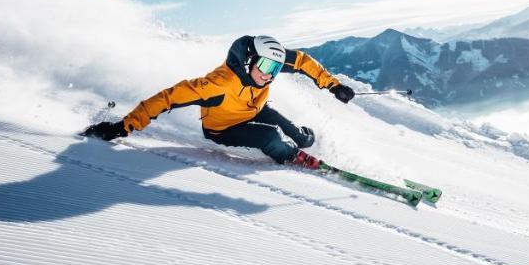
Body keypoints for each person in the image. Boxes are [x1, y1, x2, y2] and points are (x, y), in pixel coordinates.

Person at [82, 34, 355, 168]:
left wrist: (334, 86)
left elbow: (304, 62)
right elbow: (166, 98)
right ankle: (291, 156)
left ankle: (300, 142)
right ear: (249, 60)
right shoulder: (217, 84)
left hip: (253, 109)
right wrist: (122, 127)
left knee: (295, 131)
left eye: (275, 69)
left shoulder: (266, 63)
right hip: (223, 127)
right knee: (270, 137)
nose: (268, 75)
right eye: (264, 67)